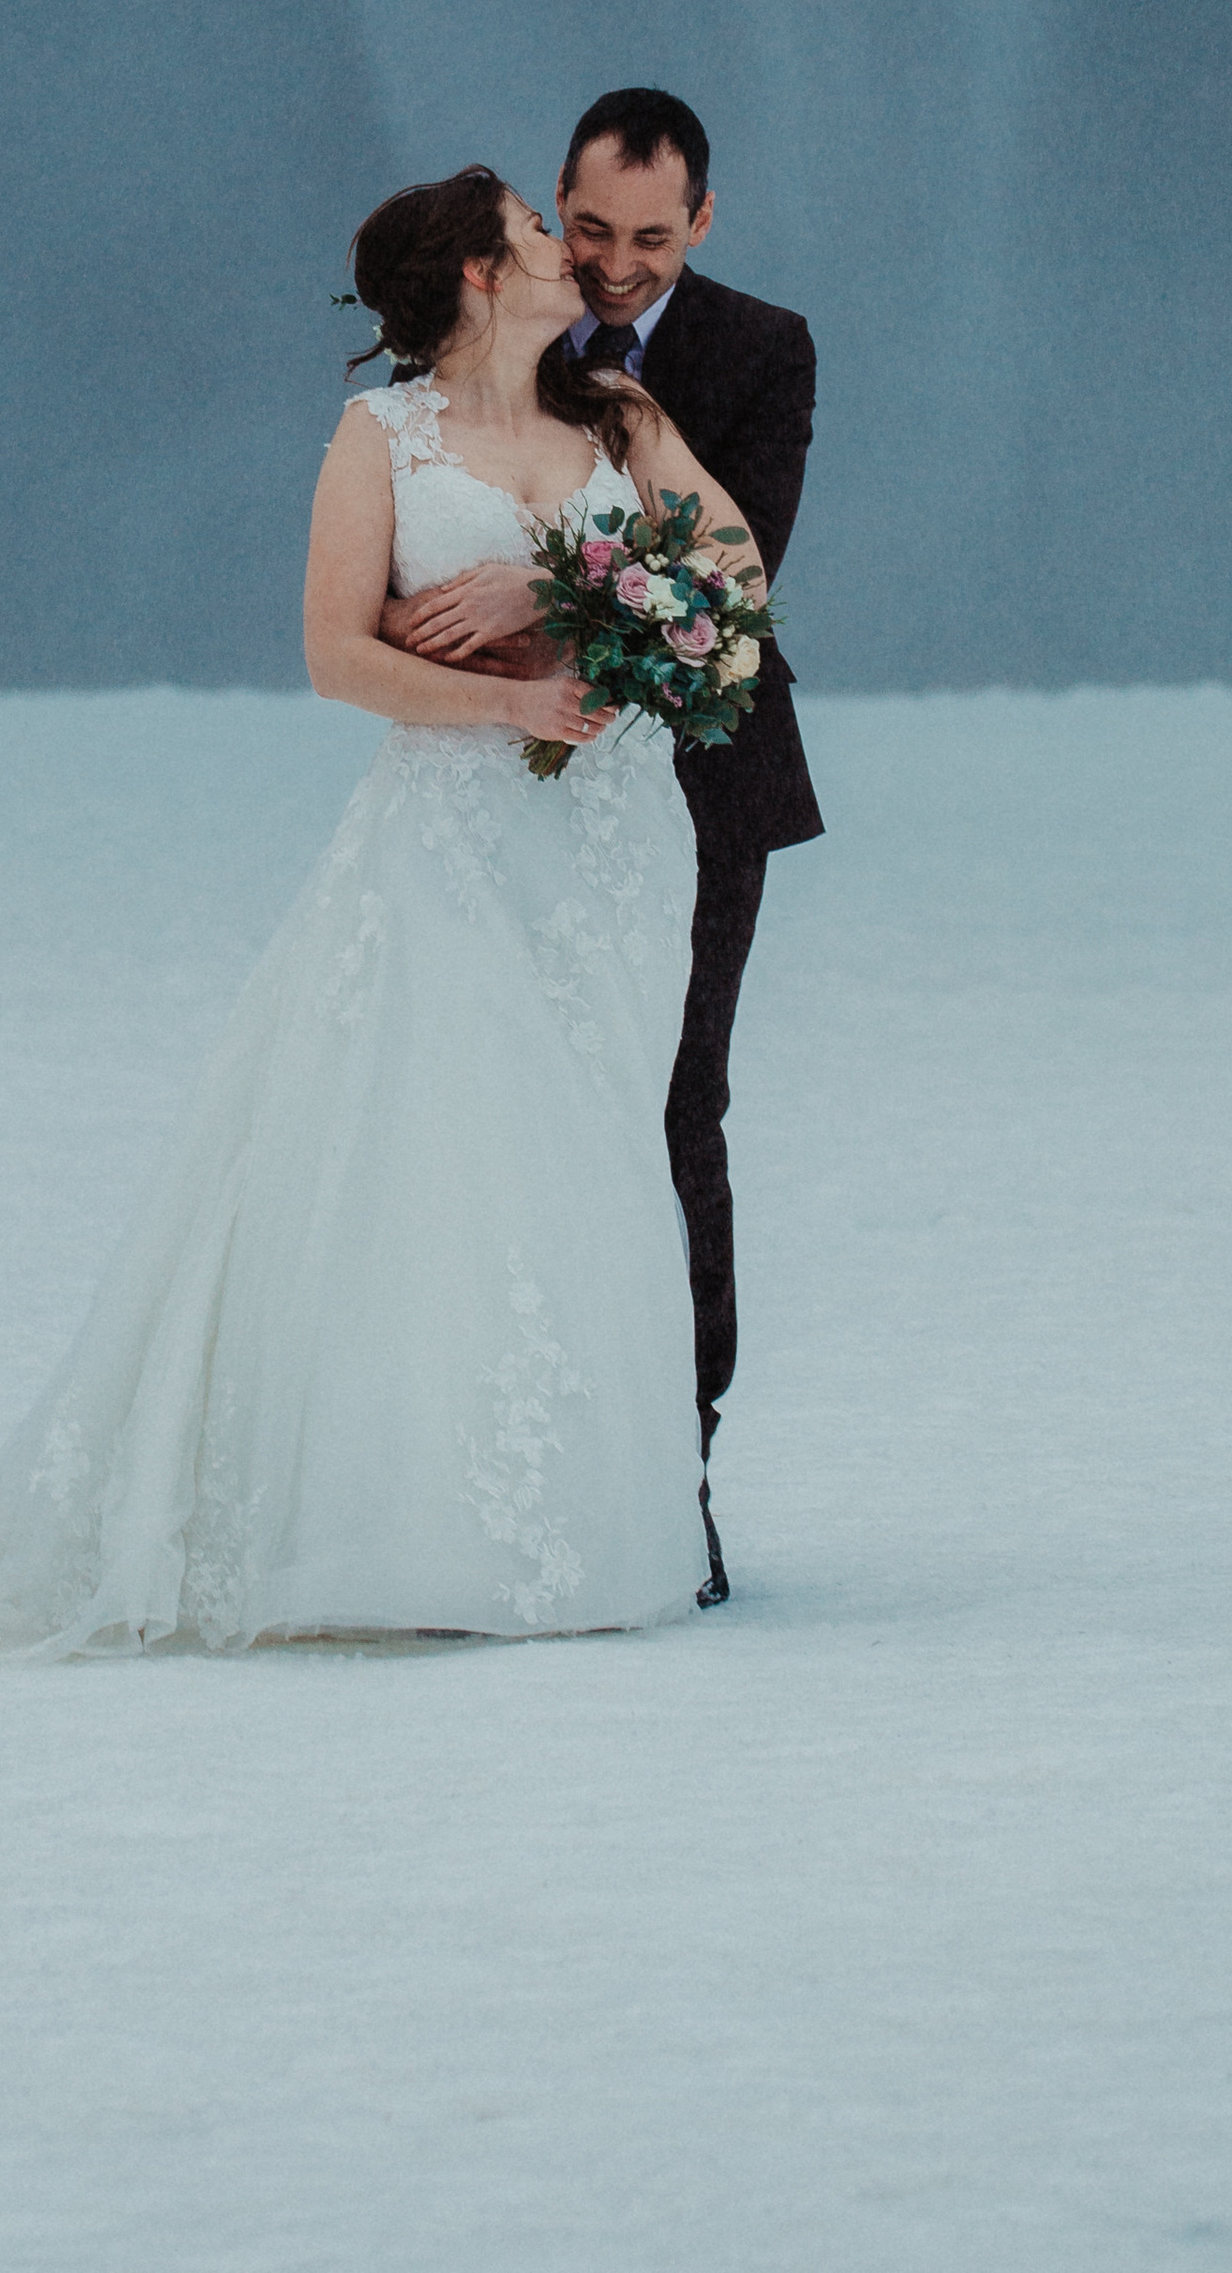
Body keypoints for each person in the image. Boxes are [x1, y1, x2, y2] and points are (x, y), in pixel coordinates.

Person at [0, 166, 759, 1654]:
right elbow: (335, 655)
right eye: (535, 229)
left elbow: (729, 581)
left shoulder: (619, 419)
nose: (565, 249)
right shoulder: (382, 437)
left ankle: (582, 1523)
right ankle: (417, 1528)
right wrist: (500, 694)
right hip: (454, 840)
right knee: (448, 1143)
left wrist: (572, 604)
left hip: (611, 852)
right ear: (471, 274)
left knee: (584, 1147)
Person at [381, 91, 818, 1600]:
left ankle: (673, 1471)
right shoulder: (508, 328)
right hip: (502, 793)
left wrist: (541, 592)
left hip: (695, 791)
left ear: (701, 223)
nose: (616, 266)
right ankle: (486, 1473)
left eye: (649, 237)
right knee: (499, 1122)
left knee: (673, 1115)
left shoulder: (762, 351)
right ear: (553, 213)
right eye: (589, 231)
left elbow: (735, 571)